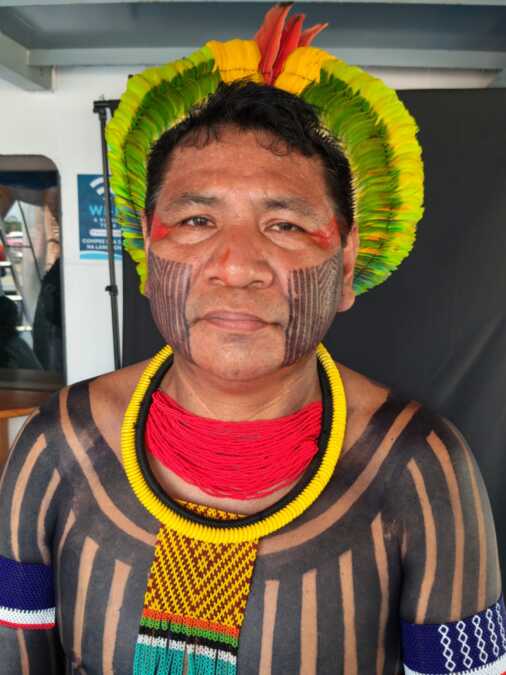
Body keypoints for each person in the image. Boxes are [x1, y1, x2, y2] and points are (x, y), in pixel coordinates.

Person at [0, 5, 503, 674]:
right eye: (197, 219)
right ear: (148, 251)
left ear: (345, 266)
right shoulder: (57, 443)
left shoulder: (421, 467)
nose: (236, 266)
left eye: (285, 226)